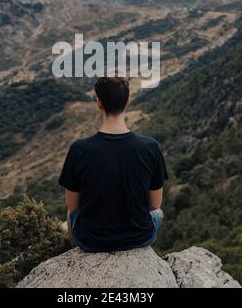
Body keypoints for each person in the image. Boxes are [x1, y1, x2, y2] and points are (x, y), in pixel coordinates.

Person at [59, 77, 168, 252]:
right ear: (127, 102)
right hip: (139, 237)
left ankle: (76, 251)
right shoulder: (150, 147)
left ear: (99, 103)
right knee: (159, 213)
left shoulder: (79, 149)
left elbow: (72, 206)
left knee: (70, 215)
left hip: (91, 240)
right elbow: (155, 204)